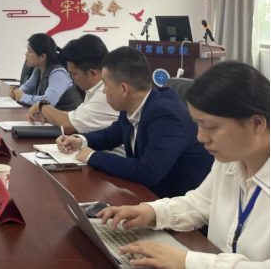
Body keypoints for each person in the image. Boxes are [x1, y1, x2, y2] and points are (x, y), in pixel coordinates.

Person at [98, 62, 269, 268]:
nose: (200, 137)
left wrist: (188, 262)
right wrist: (151, 211)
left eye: (211, 127)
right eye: (197, 124)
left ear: (257, 123)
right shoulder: (231, 159)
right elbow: (200, 203)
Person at [58, 47, 213, 198]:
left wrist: (92, 156)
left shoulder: (166, 115)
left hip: (177, 201)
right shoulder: (134, 104)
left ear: (124, 89)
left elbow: (148, 172)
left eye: (105, 84)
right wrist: (81, 140)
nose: (104, 91)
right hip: (149, 193)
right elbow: (112, 135)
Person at [27, 35, 121, 139]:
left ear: (93, 73)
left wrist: (42, 106)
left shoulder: (104, 93)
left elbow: (70, 126)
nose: (71, 79)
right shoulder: (95, 88)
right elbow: (74, 116)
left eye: (73, 74)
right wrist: (50, 116)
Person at [10, 33, 83, 112]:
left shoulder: (58, 73)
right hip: (51, 116)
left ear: (43, 57)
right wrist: (16, 92)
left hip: (68, 116)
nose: (26, 54)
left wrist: (23, 97)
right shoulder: (38, 69)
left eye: (30, 51)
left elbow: (49, 101)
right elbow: (28, 86)